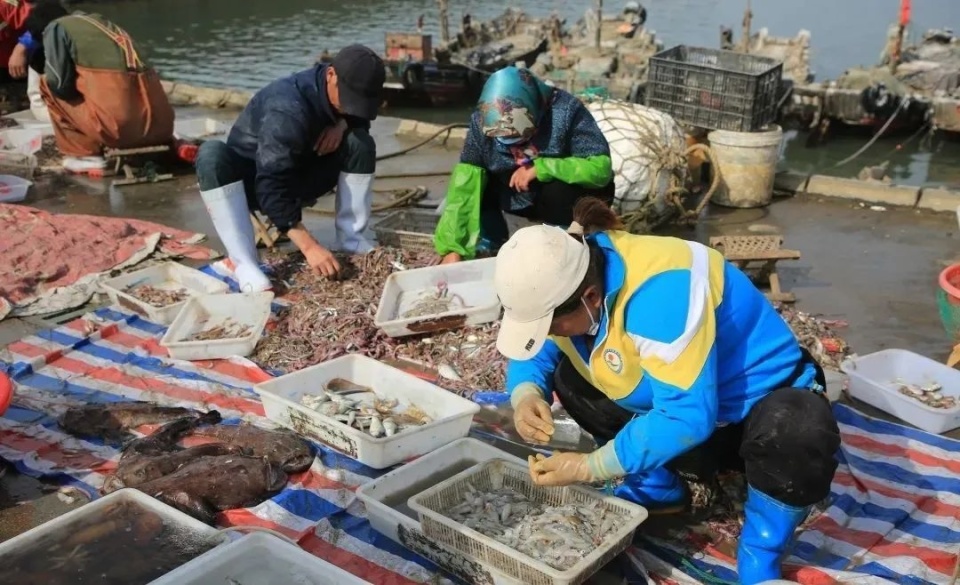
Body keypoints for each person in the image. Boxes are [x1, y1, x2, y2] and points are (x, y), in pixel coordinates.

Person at [494, 198, 841, 585]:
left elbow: (686, 415)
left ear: (590, 298)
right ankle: (660, 487)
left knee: (797, 426)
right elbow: (538, 345)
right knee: (571, 381)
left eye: (551, 324)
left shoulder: (662, 289)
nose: (549, 334)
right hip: (683, 413)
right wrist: (526, 393)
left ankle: (762, 550)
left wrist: (589, 466)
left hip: (750, 410)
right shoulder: (563, 269)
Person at [194, 45, 385, 291]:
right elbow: (271, 185)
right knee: (211, 154)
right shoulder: (286, 111)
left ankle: (353, 240)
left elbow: (360, 117)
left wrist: (343, 123)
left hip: (303, 170)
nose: (352, 106)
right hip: (255, 184)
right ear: (331, 75)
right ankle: (244, 263)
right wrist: (310, 247)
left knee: (360, 142)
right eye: (349, 99)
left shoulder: (339, 97)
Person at [433, 66, 614, 264]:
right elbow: (464, 187)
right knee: (478, 182)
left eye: (520, 136)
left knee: (558, 189)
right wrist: (452, 247)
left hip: (560, 198)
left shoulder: (566, 111)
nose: (515, 144)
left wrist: (542, 168)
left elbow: (600, 168)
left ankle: (561, 247)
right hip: (514, 193)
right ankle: (494, 243)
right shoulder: (480, 122)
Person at [20, 1, 175, 174]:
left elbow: (60, 85)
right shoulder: (101, 22)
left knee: (48, 85)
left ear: (43, 32)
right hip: (163, 126)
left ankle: (84, 156)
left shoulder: (55, 28)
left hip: (120, 130)